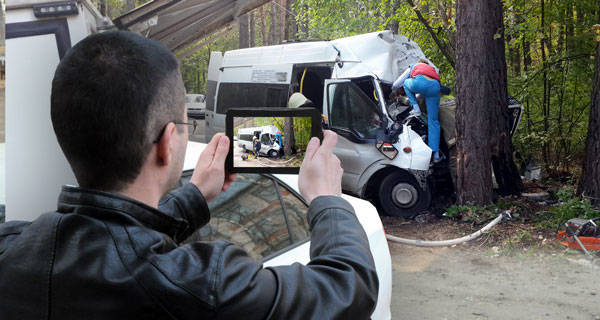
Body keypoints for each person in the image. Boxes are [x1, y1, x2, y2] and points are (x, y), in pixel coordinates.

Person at [0, 31, 378, 319]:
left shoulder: (12, 245)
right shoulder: (205, 285)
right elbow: (348, 289)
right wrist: (327, 198)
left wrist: (195, 195)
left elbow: (114, 238)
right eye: (183, 122)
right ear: (167, 144)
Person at [392, 58, 443, 163]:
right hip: (435, 87)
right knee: (433, 122)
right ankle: (436, 155)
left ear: (419, 63)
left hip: (421, 86)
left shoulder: (414, 66)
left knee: (406, 82)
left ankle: (416, 109)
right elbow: (421, 95)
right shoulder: (432, 70)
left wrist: (394, 91)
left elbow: (396, 84)